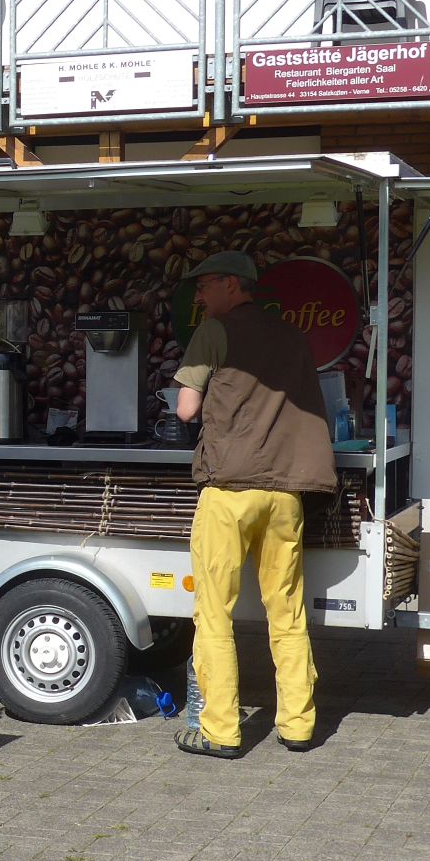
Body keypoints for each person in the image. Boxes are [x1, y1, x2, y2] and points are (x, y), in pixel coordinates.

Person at [170, 251, 336, 759]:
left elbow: (186, 409)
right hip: (285, 493)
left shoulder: (213, 332)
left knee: (214, 614)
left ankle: (221, 732)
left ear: (231, 284)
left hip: (229, 492)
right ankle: (298, 727)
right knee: (287, 612)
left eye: (204, 285)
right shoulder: (292, 335)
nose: (199, 295)